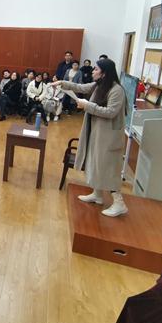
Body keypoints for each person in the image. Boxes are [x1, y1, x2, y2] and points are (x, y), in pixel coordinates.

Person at [53, 58, 127, 217]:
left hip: (109, 137)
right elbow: (80, 87)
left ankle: (119, 203)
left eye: (96, 69)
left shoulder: (116, 90)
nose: (93, 71)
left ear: (104, 73)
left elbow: (110, 112)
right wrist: (62, 83)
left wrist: (87, 105)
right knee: (96, 162)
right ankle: (97, 194)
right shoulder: (99, 85)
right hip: (97, 132)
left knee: (108, 167)